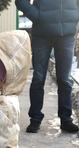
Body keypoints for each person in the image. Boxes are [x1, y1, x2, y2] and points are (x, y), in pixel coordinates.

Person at [15, 0, 79, 133]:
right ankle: (35, 119)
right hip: (42, 34)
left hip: (66, 33)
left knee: (64, 79)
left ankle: (66, 119)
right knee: (38, 78)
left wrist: (75, 15)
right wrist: (37, 16)